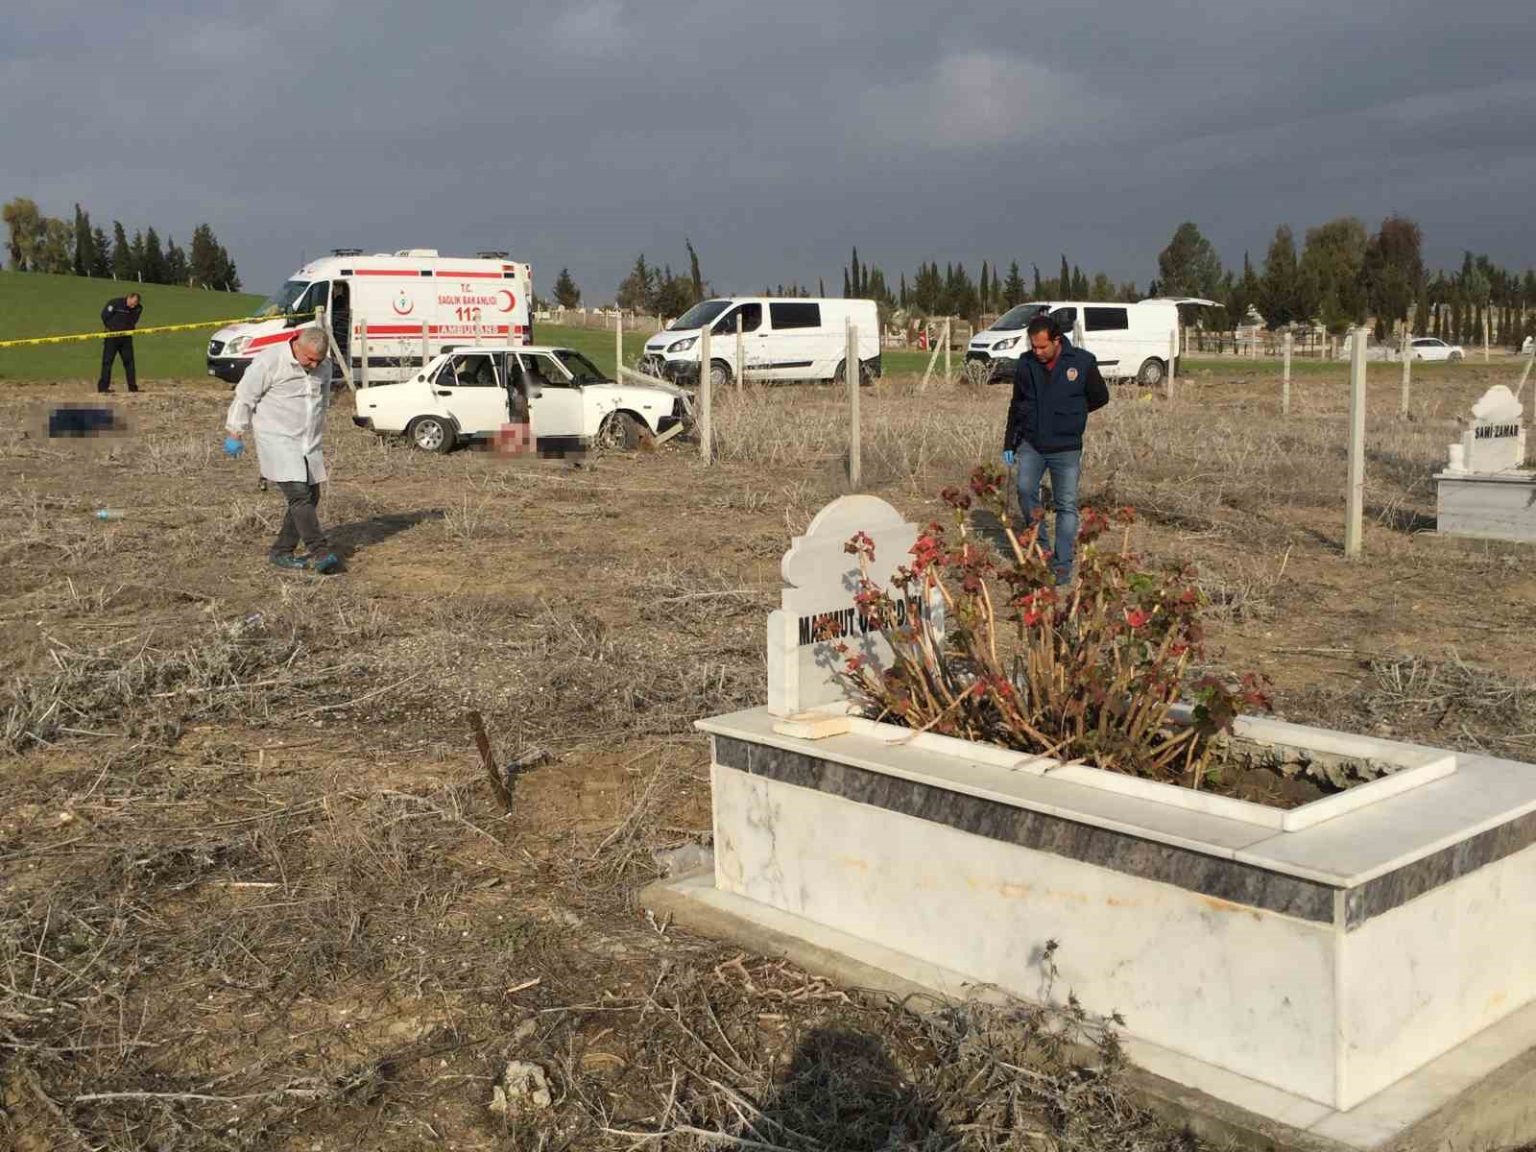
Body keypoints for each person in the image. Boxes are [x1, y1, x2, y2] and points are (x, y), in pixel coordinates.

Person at [223, 326, 340, 574]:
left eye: (318, 361)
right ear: (297, 345)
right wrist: (235, 431)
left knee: (311, 496)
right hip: (277, 439)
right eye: (309, 359)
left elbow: (323, 399)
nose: (314, 365)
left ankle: (282, 551)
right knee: (299, 495)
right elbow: (245, 397)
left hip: (308, 442)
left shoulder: (324, 366)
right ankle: (320, 552)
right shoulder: (270, 361)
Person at [1001, 314, 1109, 584]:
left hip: (1066, 447)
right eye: (1033, 346)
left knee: (1066, 505)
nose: (1037, 352)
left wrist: (1073, 414)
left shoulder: (1082, 362)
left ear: (1057, 340)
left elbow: (1100, 397)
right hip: (1032, 444)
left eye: (1042, 347)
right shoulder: (1026, 364)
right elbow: (1016, 404)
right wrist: (1009, 442)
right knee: (1025, 490)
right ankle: (1041, 549)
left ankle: (1062, 564)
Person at [98, 291, 142, 393]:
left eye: (136, 303)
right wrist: (112, 328)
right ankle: (103, 387)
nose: (133, 305)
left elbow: (134, 320)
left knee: (129, 362)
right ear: (129, 297)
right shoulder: (115, 303)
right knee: (107, 362)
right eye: (133, 302)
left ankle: (132, 387)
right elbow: (104, 316)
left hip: (126, 338)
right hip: (112, 337)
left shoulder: (138, 308)